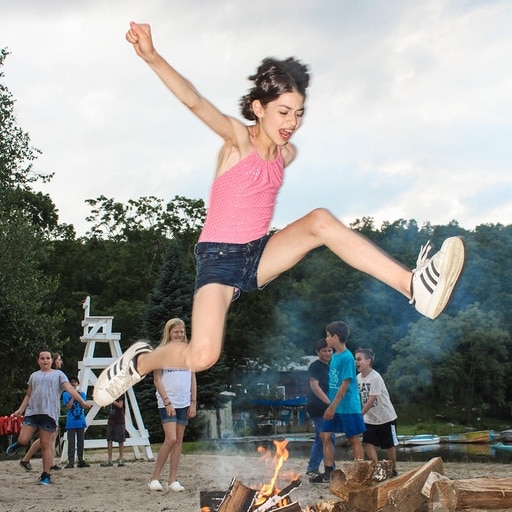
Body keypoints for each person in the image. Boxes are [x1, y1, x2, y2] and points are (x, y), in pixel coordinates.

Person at [93, 21, 465, 408]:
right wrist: (152, 56)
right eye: (283, 112)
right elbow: (194, 101)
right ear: (259, 108)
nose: (291, 123)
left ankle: (414, 288)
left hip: (258, 254)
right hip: (218, 261)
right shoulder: (239, 140)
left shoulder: (286, 155)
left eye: (299, 114)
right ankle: (140, 361)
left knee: (321, 220)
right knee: (202, 356)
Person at [6, 349, 91, 485]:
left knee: (46, 445)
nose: (45, 360)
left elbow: (70, 389)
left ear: (51, 360)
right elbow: (28, 395)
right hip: (33, 412)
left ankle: (46, 474)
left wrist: (82, 402)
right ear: (38, 361)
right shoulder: (34, 376)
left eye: (47, 358)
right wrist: (20, 410)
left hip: (49, 414)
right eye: (42, 358)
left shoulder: (58, 374)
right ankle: (19, 445)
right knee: (23, 438)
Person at [311, 321, 365, 483]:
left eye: (328, 335)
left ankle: (359, 472)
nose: (326, 338)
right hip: (335, 406)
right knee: (326, 436)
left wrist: (332, 407)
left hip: (348, 407)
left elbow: (345, 384)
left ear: (335, 337)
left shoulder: (347, 358)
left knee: (353, 439)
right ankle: (329, 473)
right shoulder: (334, 357)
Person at [148, 318, 197, 492]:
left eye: (182, 331)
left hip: (184, 401)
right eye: (176, 331)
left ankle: (173, 480)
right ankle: (154, 478)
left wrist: (193, 401)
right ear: (169, 332)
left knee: (179, 441)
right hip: (167, 401)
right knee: (171, 439)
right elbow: (157, 379)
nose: (180, 334)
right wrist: (167, 401)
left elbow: (192, 377)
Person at [356, 348, 398, 477]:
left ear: (368, 361)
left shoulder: (375, 377)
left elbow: (371, 399)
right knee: (368, 442)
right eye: (355, 359)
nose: (356, 362)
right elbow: (359, 398)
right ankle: (376, 467)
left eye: (359, 359)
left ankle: (393, 469)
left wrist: (359, 415)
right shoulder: (358, 378)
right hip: (369, 418)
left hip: (385, 416)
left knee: (389, 445)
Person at [19, 352, 65, 471]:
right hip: (43, 413)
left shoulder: (57, 376)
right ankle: (28, 458)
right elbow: (30, 394)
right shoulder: (39, 376)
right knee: (46, 439)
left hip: (52, 412)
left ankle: (49, 463)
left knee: (49, 439)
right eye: (59, 360)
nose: (61, 362)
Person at [305, 338, 335, 479]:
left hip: (326, 406)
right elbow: (314, 386)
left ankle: (312, 468)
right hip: (318, 406)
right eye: (324, 351)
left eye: (330, 350)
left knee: (320, 438)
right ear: (318, 352)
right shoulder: (315, 366)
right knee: (328, 437)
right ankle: (331, 469)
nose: (328, 353)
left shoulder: (329, 366)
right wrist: (329, 403)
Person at [63, 376, 90, 468]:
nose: (73, 384)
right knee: (71, 442)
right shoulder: (65, 394)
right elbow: (68, 407)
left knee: (80, 442)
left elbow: (84, 405)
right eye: (71, 382)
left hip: (80, 421)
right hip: (71, 422)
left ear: (77, 384)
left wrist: (78, 396)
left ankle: (80, 460)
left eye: (75, 382)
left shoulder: (82, 394)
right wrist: (74, 397)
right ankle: (71, 461)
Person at [100, 394, 126, 467]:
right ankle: (109, 460)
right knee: (109, 439)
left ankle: (121, 459)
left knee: (120, 440)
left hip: (119, 419)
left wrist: (111, 401)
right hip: (111, 419)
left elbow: (120, 405)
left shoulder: (121, 393)